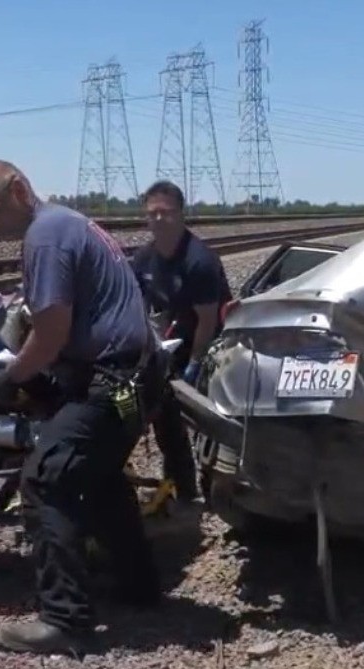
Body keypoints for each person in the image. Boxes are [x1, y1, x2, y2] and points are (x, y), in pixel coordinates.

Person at [0, 160, 163, 655]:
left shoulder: (46, 235)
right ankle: (139, 585)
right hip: (135, 378)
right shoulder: (67, 223)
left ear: (18, 190)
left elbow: (51, 335)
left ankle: (65, 618)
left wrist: (10, 379)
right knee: (99, 474)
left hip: (112, 379)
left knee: (45, 478)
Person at [130, 180, 233, 504]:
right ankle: (182, 486)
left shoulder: (198, 261)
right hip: (169, 343)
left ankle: (218, 483)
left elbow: (208, 320)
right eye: (153, 214)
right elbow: (138, 305)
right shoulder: (144, 259)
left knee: (208, 421)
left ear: (181, 214)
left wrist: (194, 365)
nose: (159, 219)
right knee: (166, 417)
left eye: (166, 212)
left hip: (208, 344)